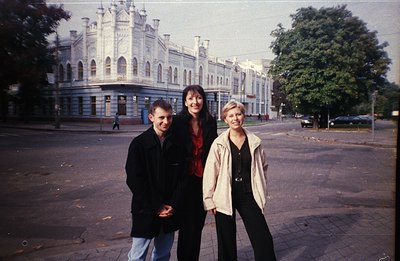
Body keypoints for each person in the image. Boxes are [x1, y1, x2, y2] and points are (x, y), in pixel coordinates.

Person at [203, 100, 276, 261]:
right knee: (226, 240)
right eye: (231, 115)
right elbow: (210, 172)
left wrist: (260, 185)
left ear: (243, 115)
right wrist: (209, 200)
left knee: (262, 237)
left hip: (248, 194)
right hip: (224, 195)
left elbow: (263, 166)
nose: (235, 118)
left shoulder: (254, 141)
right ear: (225, 119)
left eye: (238, 114)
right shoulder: (219, 143)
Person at [125, 99, 185, 261]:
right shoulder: (139, 144)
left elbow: (181, 178)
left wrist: (173, 204)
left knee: (163, 255)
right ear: (151, 117)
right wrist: (156, 206)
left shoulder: (176, 144)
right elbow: (134, 180)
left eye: (169, 117)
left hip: (169, 210)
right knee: (137, 256)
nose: (166, 122)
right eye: (161, 118)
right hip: (145, 209)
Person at [170, 85, 218, 261]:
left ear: (203, 100)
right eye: (190, 98)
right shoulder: (177, 122)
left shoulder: (210, 122)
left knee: (197, 226)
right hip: (184, 181)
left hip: (203, 180)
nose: (195, 102)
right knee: (186, 226)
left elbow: (215, 151)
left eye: (198, 98)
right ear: (185, 101)